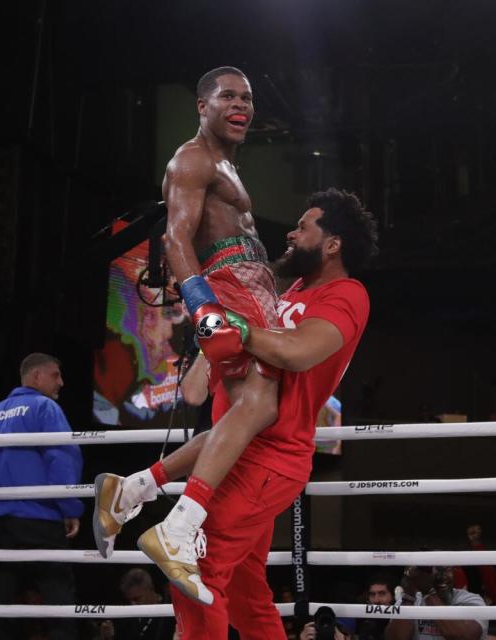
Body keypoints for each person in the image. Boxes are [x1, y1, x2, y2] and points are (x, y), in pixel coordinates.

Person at [94, 188, 378, 638]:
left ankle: (133, 488)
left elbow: (299, 352)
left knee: (196, 568)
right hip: (232, 450)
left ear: (333, 244)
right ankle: (133, 487)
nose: (290, 231)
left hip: (271, 455)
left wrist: (238, 329)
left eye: (303, 226)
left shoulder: (347, 295)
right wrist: (213, 325)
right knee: (247, 595)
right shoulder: (290, 290)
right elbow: (192, 391)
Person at [116, 65, 285, 605]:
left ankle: (138, 489)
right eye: (228, 96)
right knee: (257, 406)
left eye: (248, 98)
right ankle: (180, 521)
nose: (241, 106)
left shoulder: (228, 165)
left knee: (248, 414)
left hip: (251, 287)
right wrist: (203, 310)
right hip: (226, 287)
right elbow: (176, 238)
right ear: (202, 106)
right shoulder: (193, 158)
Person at [0, 353, 82, 640]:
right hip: (40, 519)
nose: (62, 382)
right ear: (37, 376)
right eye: (56, 375)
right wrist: (69, 507)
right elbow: (62, 459)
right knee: (58, 602)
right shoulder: (44, 407)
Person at [385, 565, 487, 640]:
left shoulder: (470, 600)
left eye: (445, 570)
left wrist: (430, 592)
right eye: (434, 570)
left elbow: (465, 637)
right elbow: (394, 638)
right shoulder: (410, 600)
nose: (440, 576)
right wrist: (408, 594)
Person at [99, 568, 176, 640]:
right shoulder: (125, 615)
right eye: (130, 600)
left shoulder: (169, 612)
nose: (133, 603)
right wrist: (109, 637)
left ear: (151, 589)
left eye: (137, 598)